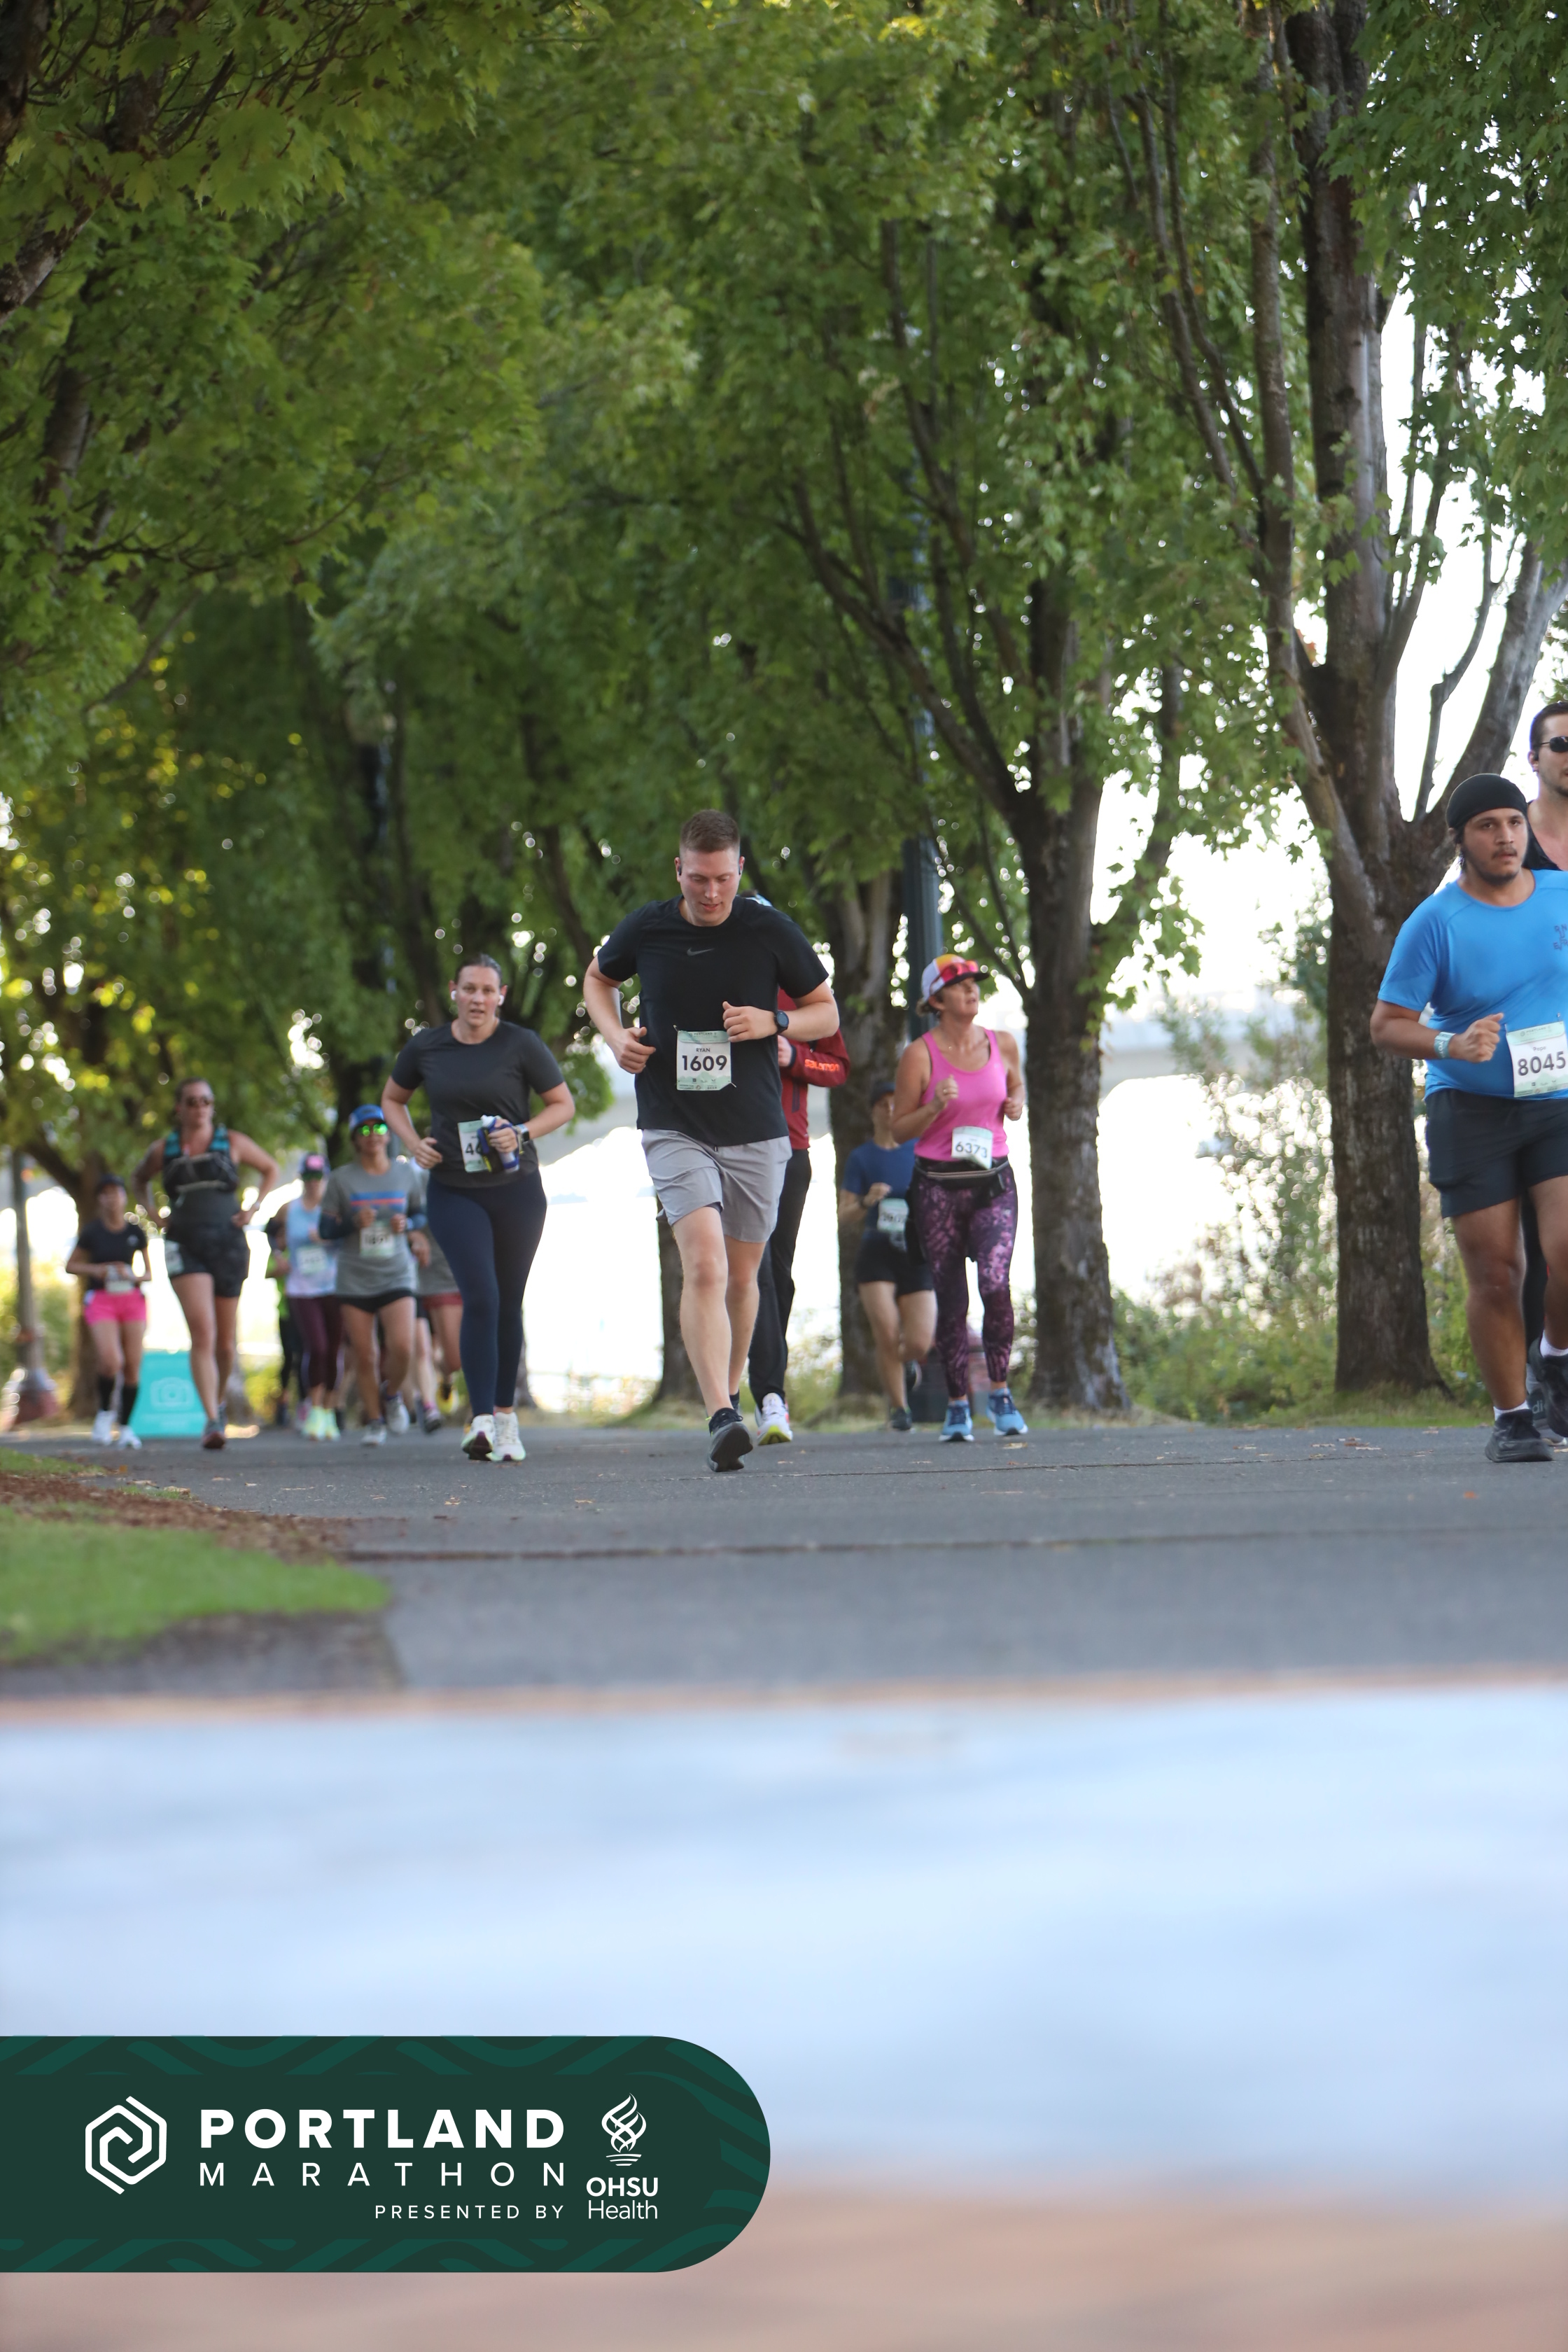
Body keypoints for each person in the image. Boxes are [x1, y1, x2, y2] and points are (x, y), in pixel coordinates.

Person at [584, 809, 840, 1472]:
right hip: (674, 1122)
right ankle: (722, 1413)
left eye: (723, 879)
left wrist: (774, 1020)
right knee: (704, 1264)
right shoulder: (648, 927)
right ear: (679, 870)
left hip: (756, 1128)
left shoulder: (768, 929)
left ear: (740, 870)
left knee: (744, 1277)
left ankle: (729, 1398)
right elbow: (598, 979)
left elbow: (826, 1012)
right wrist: (614, 1038)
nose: (711, 892)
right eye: (699, 879)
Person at [1370, 772, 1568, 1464]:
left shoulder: (1560, 896)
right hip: (1470, 1109)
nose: (1505, 837)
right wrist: (1449, 1044)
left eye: (1513, 822)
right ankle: (1511, 1418)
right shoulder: (1434, 922)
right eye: (1487, 826)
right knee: (1496, 1272)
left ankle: (1555, 1357)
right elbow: (1386, 1025)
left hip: (1558, 1102)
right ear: (1461, 839)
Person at [382, 955, 575, 1463]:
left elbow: (563, 1104)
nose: (478, 999)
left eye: (488, 990)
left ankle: (506, 1419)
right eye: (469, 988)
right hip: (454, 1190)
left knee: (508, 1302)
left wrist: (523, 1131)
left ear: (501, 995)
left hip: (517, 1190)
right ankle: (481, 1419)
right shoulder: (427, 1046)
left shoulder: (520, 1044)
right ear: (454, 990)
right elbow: (392, 1100)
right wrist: (413, 1144)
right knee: (481, 1296)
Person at [891, 954, 1027, 1443]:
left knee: (994, 1283)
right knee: (951, 1299)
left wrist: (1016, 1102)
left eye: (974, 983)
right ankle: (956, 1406)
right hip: (937, 1189)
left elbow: (1015, 1083)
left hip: (993, 1183)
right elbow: (899, 1128)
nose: (971, 990)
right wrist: (934, 1106)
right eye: (960, 984)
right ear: (936, 1000)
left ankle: (1001, 1394)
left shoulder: (1002, 1042)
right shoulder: (919, 1056)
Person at [132, 1079, 280, 1451]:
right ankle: (212, 1419)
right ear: (179, 1108)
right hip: (185, 1244)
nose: (199, 1107)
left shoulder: (233, 1142)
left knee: (225, 1345)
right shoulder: (163, 1148)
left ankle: (219, 1400)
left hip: (228, 1243)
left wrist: (254, 1208)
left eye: (205, 1101)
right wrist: (152, 1213)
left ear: (212, 1106)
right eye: (192, 1101)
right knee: (203, 1332)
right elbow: (139, 1178)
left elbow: (271, 1168)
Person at [746, 983, 849, 1443]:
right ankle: (769, 1395)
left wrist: (796, 1058)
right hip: (730, 1149)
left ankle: (761, 1383)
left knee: (777, 1276)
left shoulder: (805, 994)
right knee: (756, 1273)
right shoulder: (715, 979)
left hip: (791, 1150)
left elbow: (838, 1067)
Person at [317, 1109, 428, 1448]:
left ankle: (391, 1394)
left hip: (397, 1273)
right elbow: (325, 1228)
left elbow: (420, 1213)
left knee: (403, 1347)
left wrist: (407, 1225)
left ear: (388, 1134)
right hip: (355, 1277)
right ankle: (375, 1420)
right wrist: (351, 1223)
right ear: (354, 1138)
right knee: (365, 1356)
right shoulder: (341, 1179)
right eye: (364, 1130)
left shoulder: (406, 1173)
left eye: (379, 1127)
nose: (373, 1135)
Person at [1516, 703, 1568, 1410]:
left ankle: (1554, 1358)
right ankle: (1539, 1379)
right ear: (1534, 758)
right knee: (1542, 1229)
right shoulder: (1508, 836)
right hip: (1534, 1048)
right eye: (1560, 744)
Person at [839, 1082, 937, 1430]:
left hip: (915, 1249)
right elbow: (844, 1213)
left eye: (896, 1103)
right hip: (877, 1250)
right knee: (886, 1332)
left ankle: (909, 1363)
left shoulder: (920, 1150)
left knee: (919, 1342)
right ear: (873, 1112)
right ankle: (899, 1409)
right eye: (883, 1104)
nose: (890, 1109)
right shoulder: (862, 1158)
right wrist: (866, 1201)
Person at [66, 1174, 151, 1448]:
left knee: (133, 1364)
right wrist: (97, 1270)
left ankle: (126, 1427)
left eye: (116, 1192)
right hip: (102, 1299)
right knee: (111, 1360)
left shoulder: (136, 1232)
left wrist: (130, 1275)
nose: (111, 1198)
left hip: (131, 1298)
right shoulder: (92, 1232)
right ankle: (104, 1414)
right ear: (100, 1199)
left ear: (124, 1196)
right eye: (105, 1193)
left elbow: (149, 1274)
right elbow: (71, 1265)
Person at [272, 1151, 342, 1441]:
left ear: (326, 1178)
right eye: (309, 1177)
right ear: (302, 1178)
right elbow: (270, 1233)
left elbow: (349, 1236)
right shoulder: (289, 1210)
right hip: (301, 1288)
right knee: (317, 1346)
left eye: (318, 1177)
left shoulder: (334, 1209)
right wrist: (279, 1257)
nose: (313, 1182)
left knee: (334, 1351)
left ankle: (329, 1410)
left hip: (334, 1286)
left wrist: (327, 1237)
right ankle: (313, 1408)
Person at [412, 1222, 462, 1434]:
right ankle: (429, 1407)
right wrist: (413, 1234)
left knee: (450, 1358)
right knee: (424, 1351)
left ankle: (447, 1379)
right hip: (418, 1284)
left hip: (454, 1281)